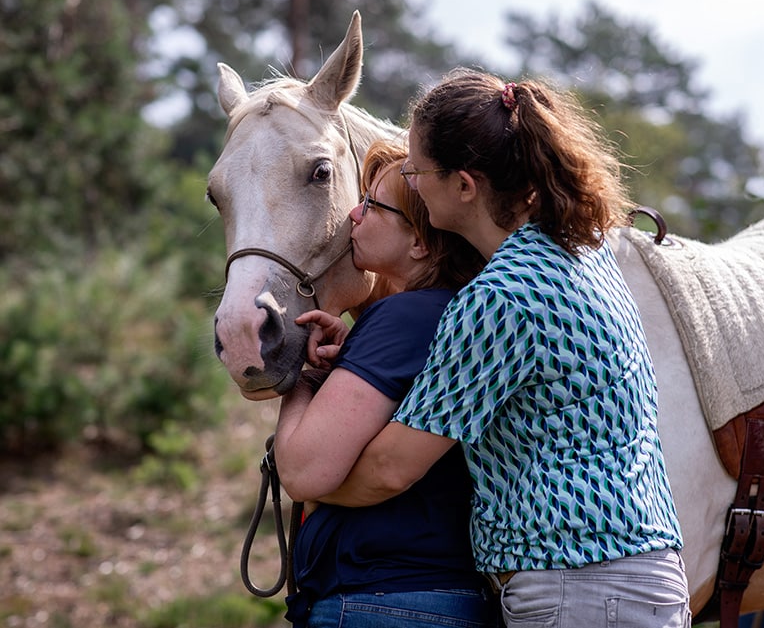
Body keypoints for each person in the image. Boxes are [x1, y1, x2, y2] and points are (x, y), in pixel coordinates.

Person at [321, 69, 690, 627]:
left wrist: (312, 482)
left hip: (578, 586)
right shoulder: (581, 250)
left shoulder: (501, 297)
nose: (411, 184)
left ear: (465, 186)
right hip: (632, 576)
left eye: (417, 172)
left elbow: (392, 467)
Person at [273, 139, 496, 628]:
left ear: (419, 241)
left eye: (372, 205)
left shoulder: (406, 315)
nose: (353, 215)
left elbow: (303, 471)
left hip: (384, 600)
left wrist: (301, 376)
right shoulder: (450, 312)